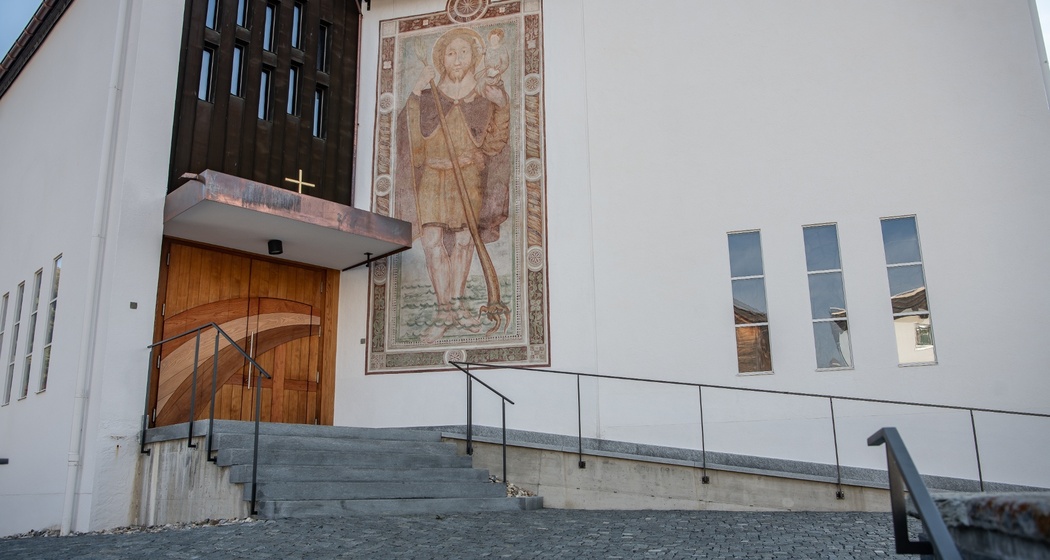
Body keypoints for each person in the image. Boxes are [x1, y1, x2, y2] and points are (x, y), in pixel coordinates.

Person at [394, 27, 511, 343]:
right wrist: (416, 95)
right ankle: (444, 310)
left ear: (474, 57)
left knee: (462, 241)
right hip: (433, 176)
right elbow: (410, 141)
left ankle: (458, 307)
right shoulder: (429, 95)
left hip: (468, 177)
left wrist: (501, 106)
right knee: (432, 241)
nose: (457, 58)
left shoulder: (483, 95)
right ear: (441, 59)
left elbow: (496, 143)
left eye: (463, 51)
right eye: (450, 52)